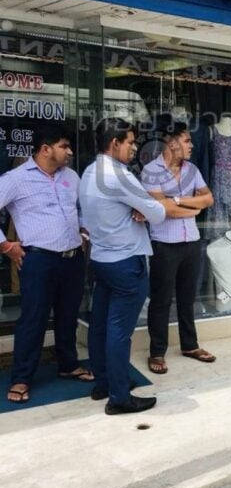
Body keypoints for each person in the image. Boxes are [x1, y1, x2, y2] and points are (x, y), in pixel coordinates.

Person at [80, 118, 180, 415]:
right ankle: (120, 396)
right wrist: (143, 206)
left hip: (101, 259)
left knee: (100, 327)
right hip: (126, 262)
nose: (135, 148)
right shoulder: (120, 176)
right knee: (118, 332)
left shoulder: (88, 172)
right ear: (115, 143)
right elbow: (159, 213)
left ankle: (104, 384)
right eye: (131, 142)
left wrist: (140, 207)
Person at [0, 127, 92, 404]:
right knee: (33, 319)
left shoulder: (71, 177)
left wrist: (84, 231)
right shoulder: (16, 179)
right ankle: (21, 378)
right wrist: (6, 245)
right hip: (38, 259)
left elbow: (81, 207)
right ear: (45, 149)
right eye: (64, 146)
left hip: (73, 258)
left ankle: (68, 364)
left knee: (67, 315)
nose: (70, 152)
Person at [141, 122, 215, 374]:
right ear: (171, 142)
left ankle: (190, 345)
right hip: (164, 244)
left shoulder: (192, 170)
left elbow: (208, 198)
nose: (191, 146)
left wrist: (180, 200)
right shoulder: (151, 171)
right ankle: (157, 352)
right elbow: (163, 209)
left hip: (191, 241)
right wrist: (191, 209)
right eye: (186, 141)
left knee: (187, 297)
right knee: (161, 300)